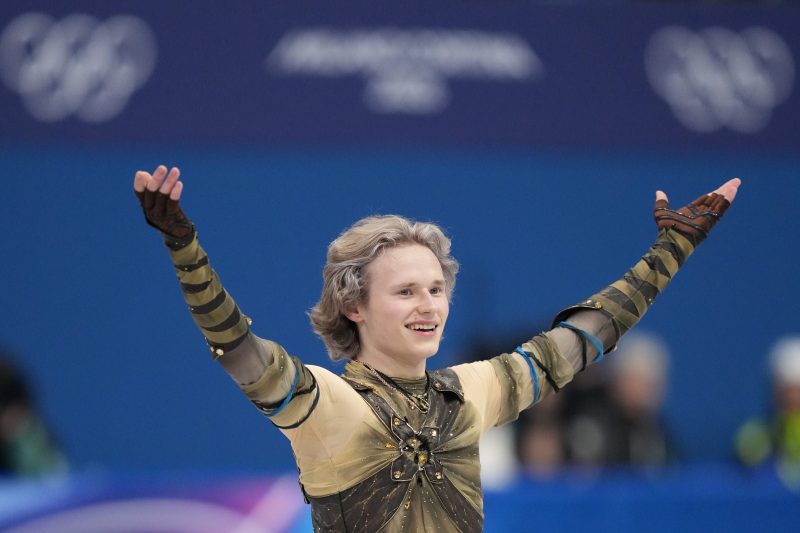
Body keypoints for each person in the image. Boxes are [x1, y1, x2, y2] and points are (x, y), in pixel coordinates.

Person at [134, 167, 739, 532]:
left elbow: (579, 344)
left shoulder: (469, 391)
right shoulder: (331, 404)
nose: (428, 305)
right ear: (354, 305)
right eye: (405, 292)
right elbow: (238, 349)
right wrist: (185, 248)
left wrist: (671, 250)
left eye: (436, 288)